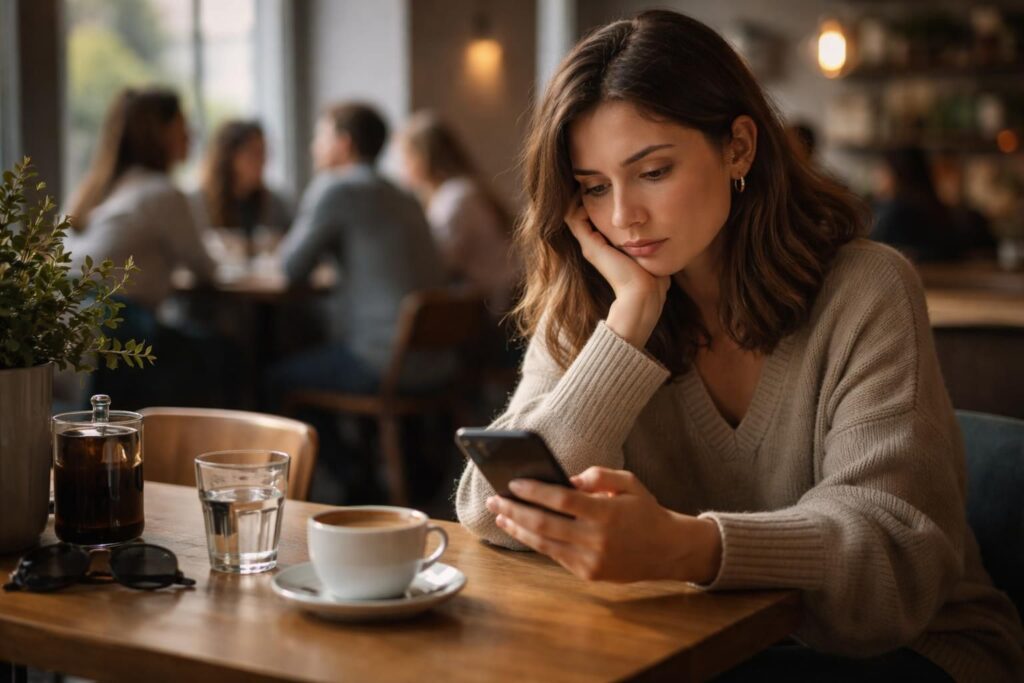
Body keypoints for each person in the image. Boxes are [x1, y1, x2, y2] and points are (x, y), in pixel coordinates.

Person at [455, 10, 1024, 682]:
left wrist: (687, 547)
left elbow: (890, 565)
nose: (623, 217)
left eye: (654, 171)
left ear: (739, 148)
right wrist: (629, 323)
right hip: (702, 640)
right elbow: (485, 509)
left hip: (915, 649)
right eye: (594, 189)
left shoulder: (866, 288)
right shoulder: (601, 298)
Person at [269, 102, 448, 502]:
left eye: (321, 137)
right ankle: (369, 475)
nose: (315, 148)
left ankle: (349, 481)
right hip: (433, 358)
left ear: (344, 143)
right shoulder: (405, 194)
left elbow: (291, 266)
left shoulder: (336, 188)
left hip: (382, 361)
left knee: (275, 379)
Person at [67, 87, 216, 309]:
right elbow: (206, 269)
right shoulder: (162, 193)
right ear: (161, 133)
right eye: (182, 124)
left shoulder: (93, 191)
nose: (190, 134)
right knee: (222, 344)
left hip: (64, 324)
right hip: (114, 326)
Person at [398, 111, 518, 315]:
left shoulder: (456, 198)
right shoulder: (464, 190)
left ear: (422, 158)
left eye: (405, 158)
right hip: (495, 302)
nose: (401, 167)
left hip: (494, 312)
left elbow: (438, 261)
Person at [192, 119, 292, 242]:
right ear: (229, 158)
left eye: (264, 153)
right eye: (254, 154)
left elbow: (292, 244)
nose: (263, 161)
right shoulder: (198, 203)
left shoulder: (275, 204)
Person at [870, 146, 964, 262]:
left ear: (896, 172)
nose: (875, 175)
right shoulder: (936, 206)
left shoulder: (895, 212)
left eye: (882, 169)